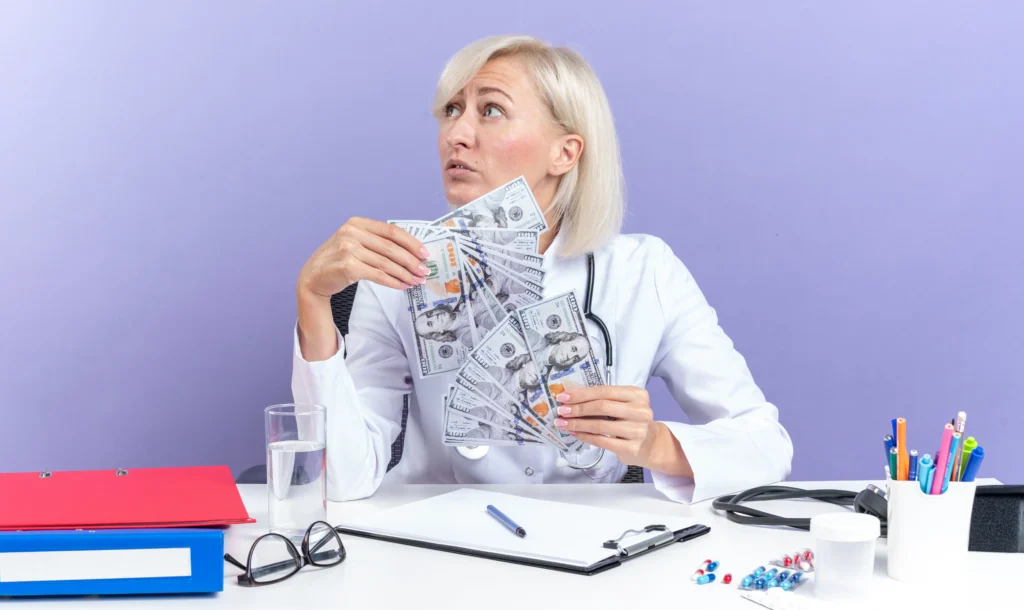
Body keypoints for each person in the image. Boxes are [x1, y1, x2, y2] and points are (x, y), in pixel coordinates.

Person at [292, 35, 793, 503]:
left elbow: (768, 445)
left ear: (565, 152)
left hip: (591, 554)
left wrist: (655, 444)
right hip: (439, 547)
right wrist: (313, 302)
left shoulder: (646, 271)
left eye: (491, 110)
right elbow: (343, 481)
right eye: (452, 110)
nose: (456, 135)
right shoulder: (401, 272)